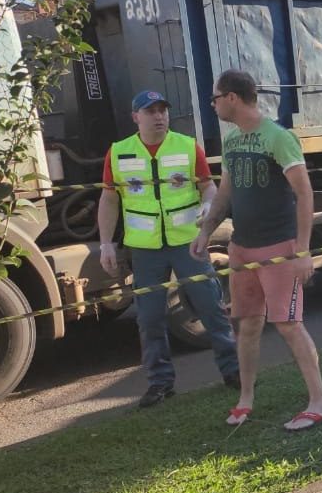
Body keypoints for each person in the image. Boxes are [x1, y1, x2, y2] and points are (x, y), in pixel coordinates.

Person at [191, 69, 322, 431]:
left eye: (215, 98)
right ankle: (246, 399)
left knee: (288, 325)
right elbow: (225, 192)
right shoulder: (233, 140)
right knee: (247, 324)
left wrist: (302, 250)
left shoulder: (278, 138)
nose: (214, 105)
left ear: (232, 98)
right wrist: (206, 232)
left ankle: (320, 402)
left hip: (279, 248)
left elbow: (304, 194)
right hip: (242, 248)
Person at [97, 90, 239, 408]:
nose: (159, 116)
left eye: (163, 110)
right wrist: (106, 243)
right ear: (136, 117)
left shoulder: (188, 146)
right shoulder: (118, 152)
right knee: (149, 319)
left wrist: (207, 207)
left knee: (212, 309)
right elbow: (109, 199)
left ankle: (233, 372)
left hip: (188, 241)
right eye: (150, 111)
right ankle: (161, 384)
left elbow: (208, 186)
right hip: (145, 248)